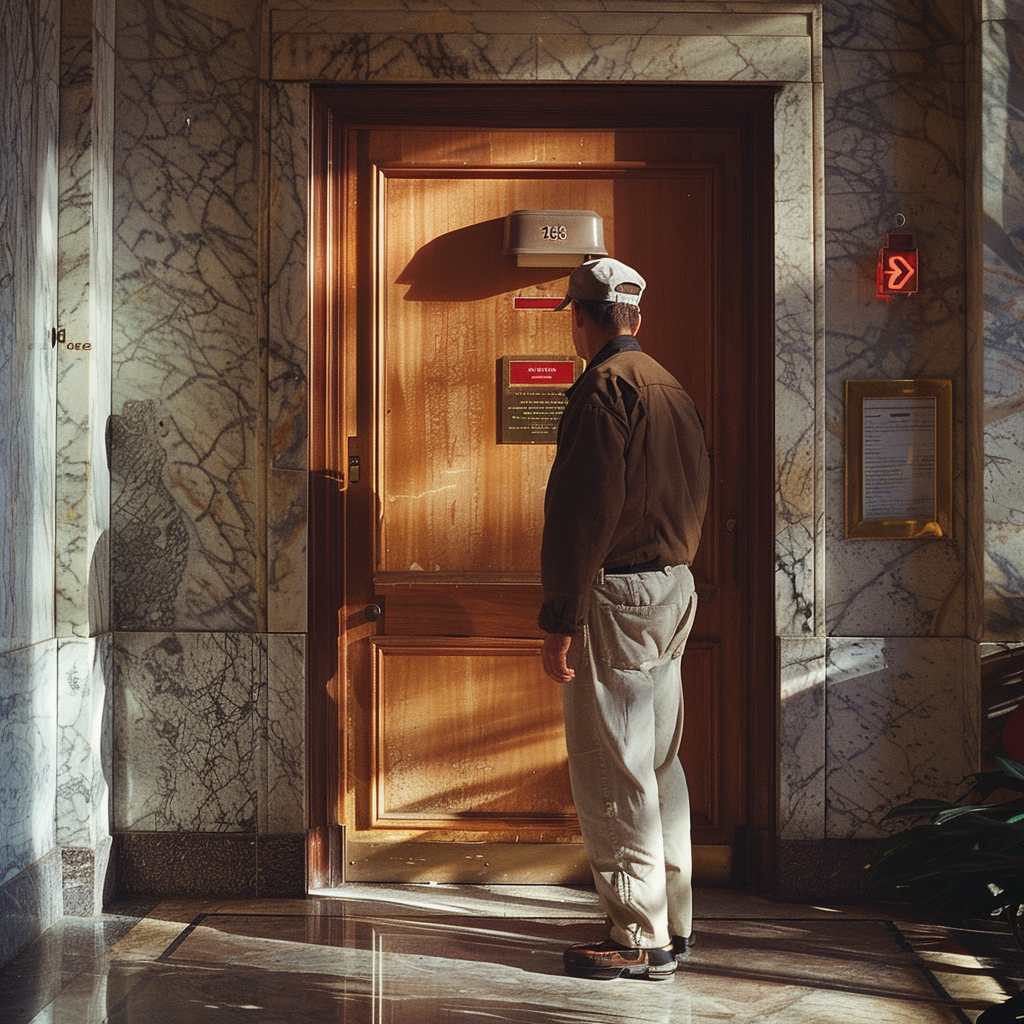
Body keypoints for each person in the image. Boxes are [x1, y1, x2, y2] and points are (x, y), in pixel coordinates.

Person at [539, 257, 710, 981]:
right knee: (658, 765)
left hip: (619, 596)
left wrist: (560, 618)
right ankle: (672, 917)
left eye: (572, 319)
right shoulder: (669, 386)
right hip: (673, 589)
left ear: (584, 317)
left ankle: (640, 937)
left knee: (614, 773)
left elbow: (583, 513)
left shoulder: (603, 388)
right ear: (634, 316)